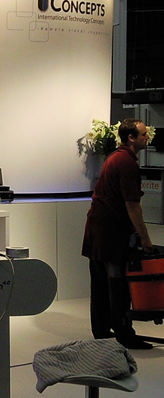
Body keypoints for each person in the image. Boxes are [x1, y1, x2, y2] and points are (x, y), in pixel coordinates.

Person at [81, 118, 154, 350]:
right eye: (143, 134)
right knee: (117, 284)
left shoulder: (114, 157)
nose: (147, 137)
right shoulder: (126, 163)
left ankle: (102, 330)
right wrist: (145, 239)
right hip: (110, 233)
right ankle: (124, 333)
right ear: (131, 138)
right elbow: (132, 205)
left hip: (98, 230)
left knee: (100, 283)